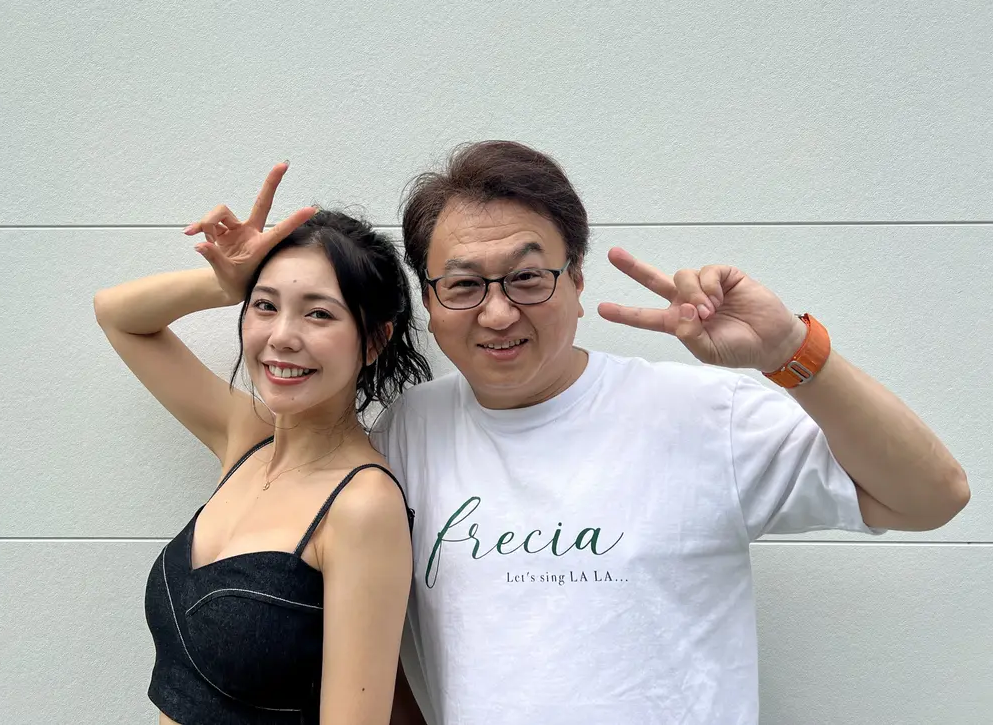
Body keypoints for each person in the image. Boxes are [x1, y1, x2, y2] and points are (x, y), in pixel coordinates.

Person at [376, 141, 971, 725]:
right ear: (429, 300)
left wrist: (791, 350)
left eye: (528, 277)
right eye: (464, 285)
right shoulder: (409, 430)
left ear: (577, 280)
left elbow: (932, 497)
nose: (498, 312)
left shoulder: (704, 413)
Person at [94, 162, 432, 725]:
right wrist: (225, 284)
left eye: (318, 314)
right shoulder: (246, 437)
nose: (282, 337)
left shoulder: (361, 506)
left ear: (374, 341)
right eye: (265, 305)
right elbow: (117, 315)